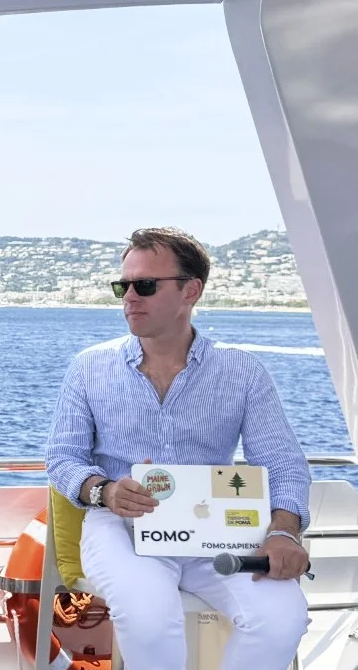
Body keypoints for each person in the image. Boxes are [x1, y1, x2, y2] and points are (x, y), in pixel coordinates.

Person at [45, 227, 311, 670]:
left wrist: (283, 532)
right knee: (149, 617)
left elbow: (282, 462)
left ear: (191, 290)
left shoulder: (243, 372)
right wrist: (104, 491)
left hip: (217, 532)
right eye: (122, 286)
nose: (129, 297)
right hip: (120, 528)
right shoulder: (89, 367)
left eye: (145, 285)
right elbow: (63, 458)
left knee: (281, 618)